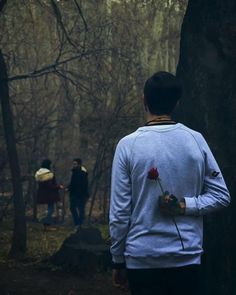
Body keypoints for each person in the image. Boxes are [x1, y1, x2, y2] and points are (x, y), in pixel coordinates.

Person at [109, 71, 231, 295]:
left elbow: (119, 212)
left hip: (141, 258)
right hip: (186, 257)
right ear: (177, 102)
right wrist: (187, 205)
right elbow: (221, 195)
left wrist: (118, 260)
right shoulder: (195, 140)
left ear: (144, 100)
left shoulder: (127, 145)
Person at [35, 159, 63, 227]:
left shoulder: (39, 174)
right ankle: (46, 223)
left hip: (41, 193)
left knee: (45, 210)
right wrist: (58, 186)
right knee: (51, 209)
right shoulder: (49, 174)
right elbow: (50, 185)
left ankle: (45, 223)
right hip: (49, 194)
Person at [68, 158, 89, 228]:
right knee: (72, 208)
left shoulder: (83, 173)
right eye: (73, 164)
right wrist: (69, 188)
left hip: (80, 194)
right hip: (73, 194)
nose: (74, 165)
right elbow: (73, 183)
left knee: (81, 209)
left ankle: (80, 224)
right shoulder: (73, 172)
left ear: (79, 164)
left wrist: (85, 194)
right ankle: (77, 223)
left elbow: (84, 184)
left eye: (75, 164)